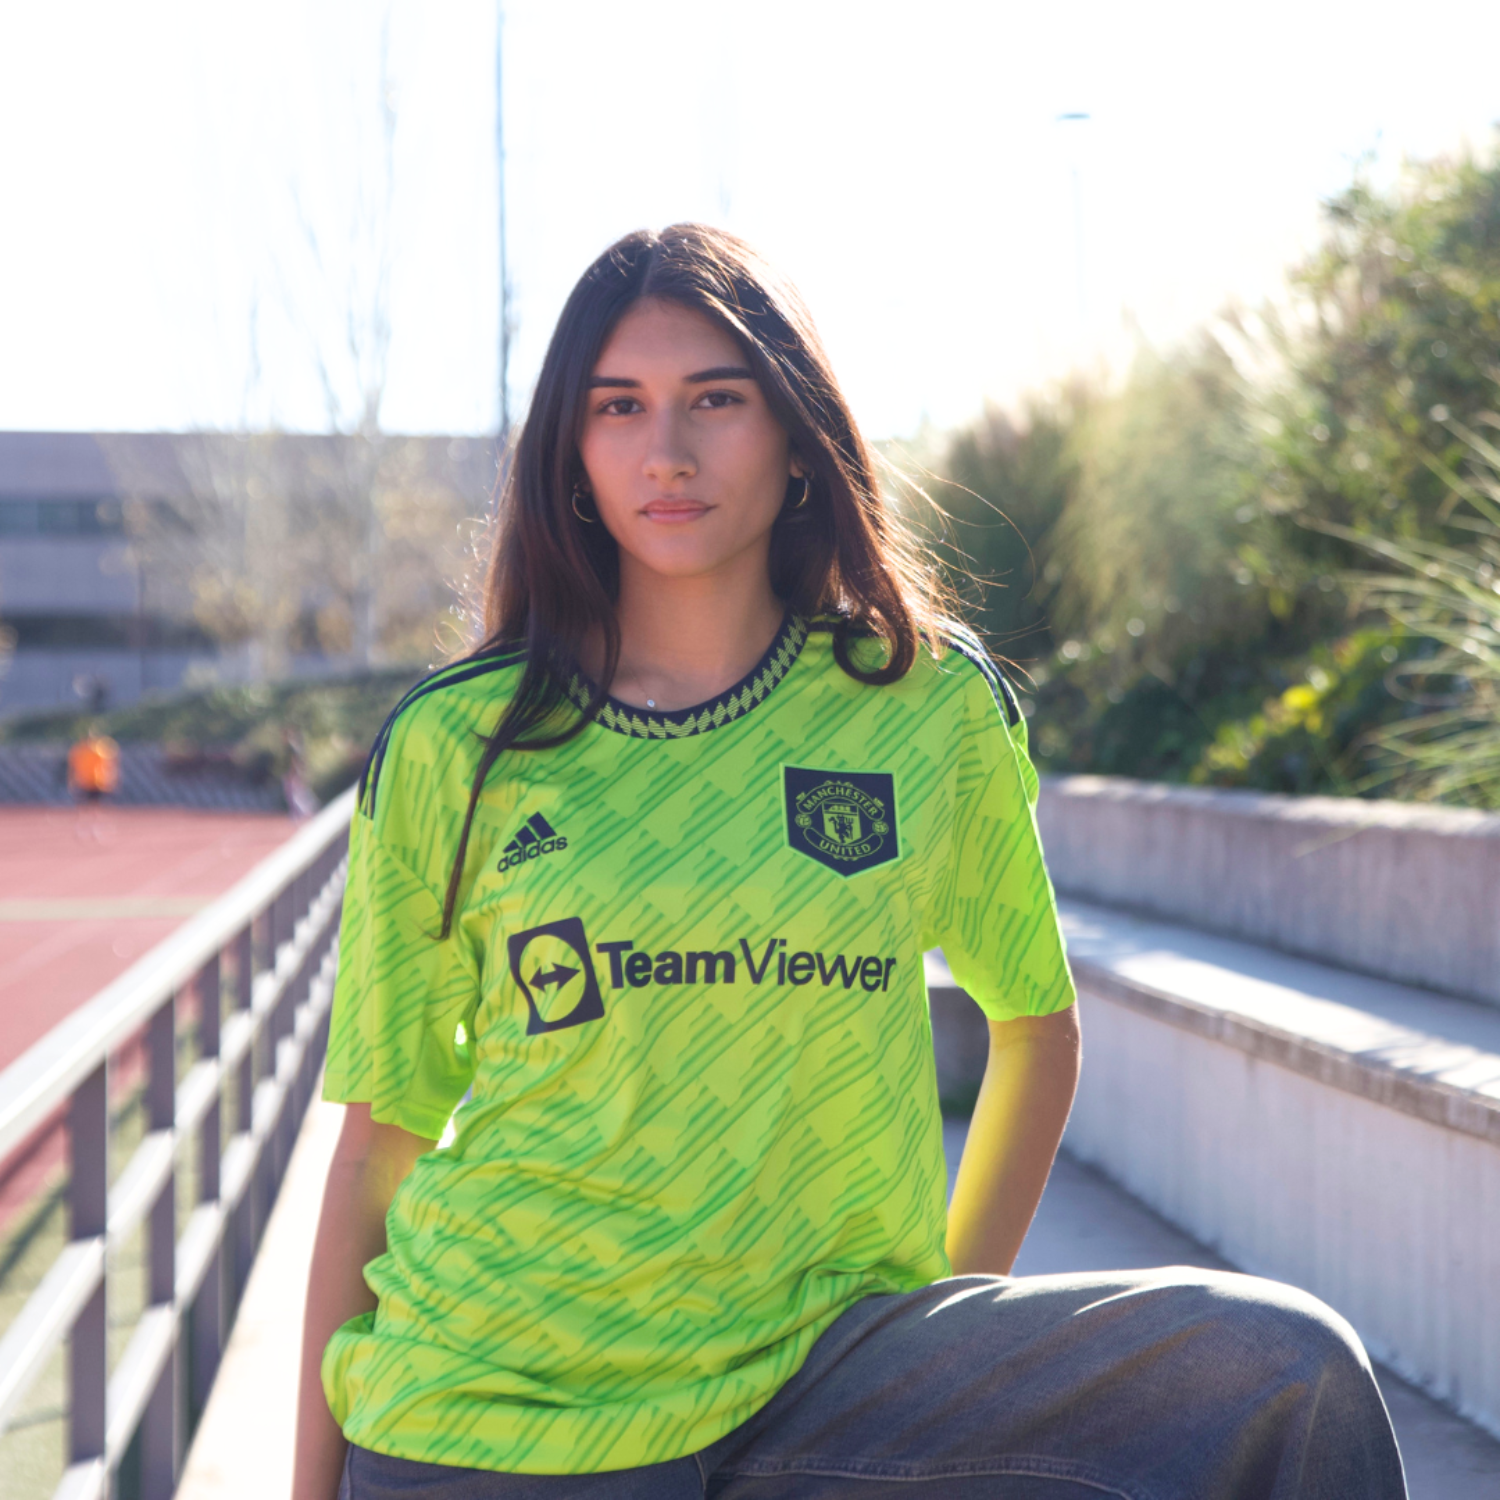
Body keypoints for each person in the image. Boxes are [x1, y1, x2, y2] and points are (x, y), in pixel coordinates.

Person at [294, 225, 1405, 1499]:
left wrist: (949, 1323)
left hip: (827, 1383)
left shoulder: (925, 710)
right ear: (571, 450)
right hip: (493, 1414)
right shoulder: (459, 743)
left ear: (794, 427)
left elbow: (1035, 1031)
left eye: (717, 398)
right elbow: (379, 1147)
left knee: (1287, 1374)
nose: (668, 450)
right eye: (620, 406)